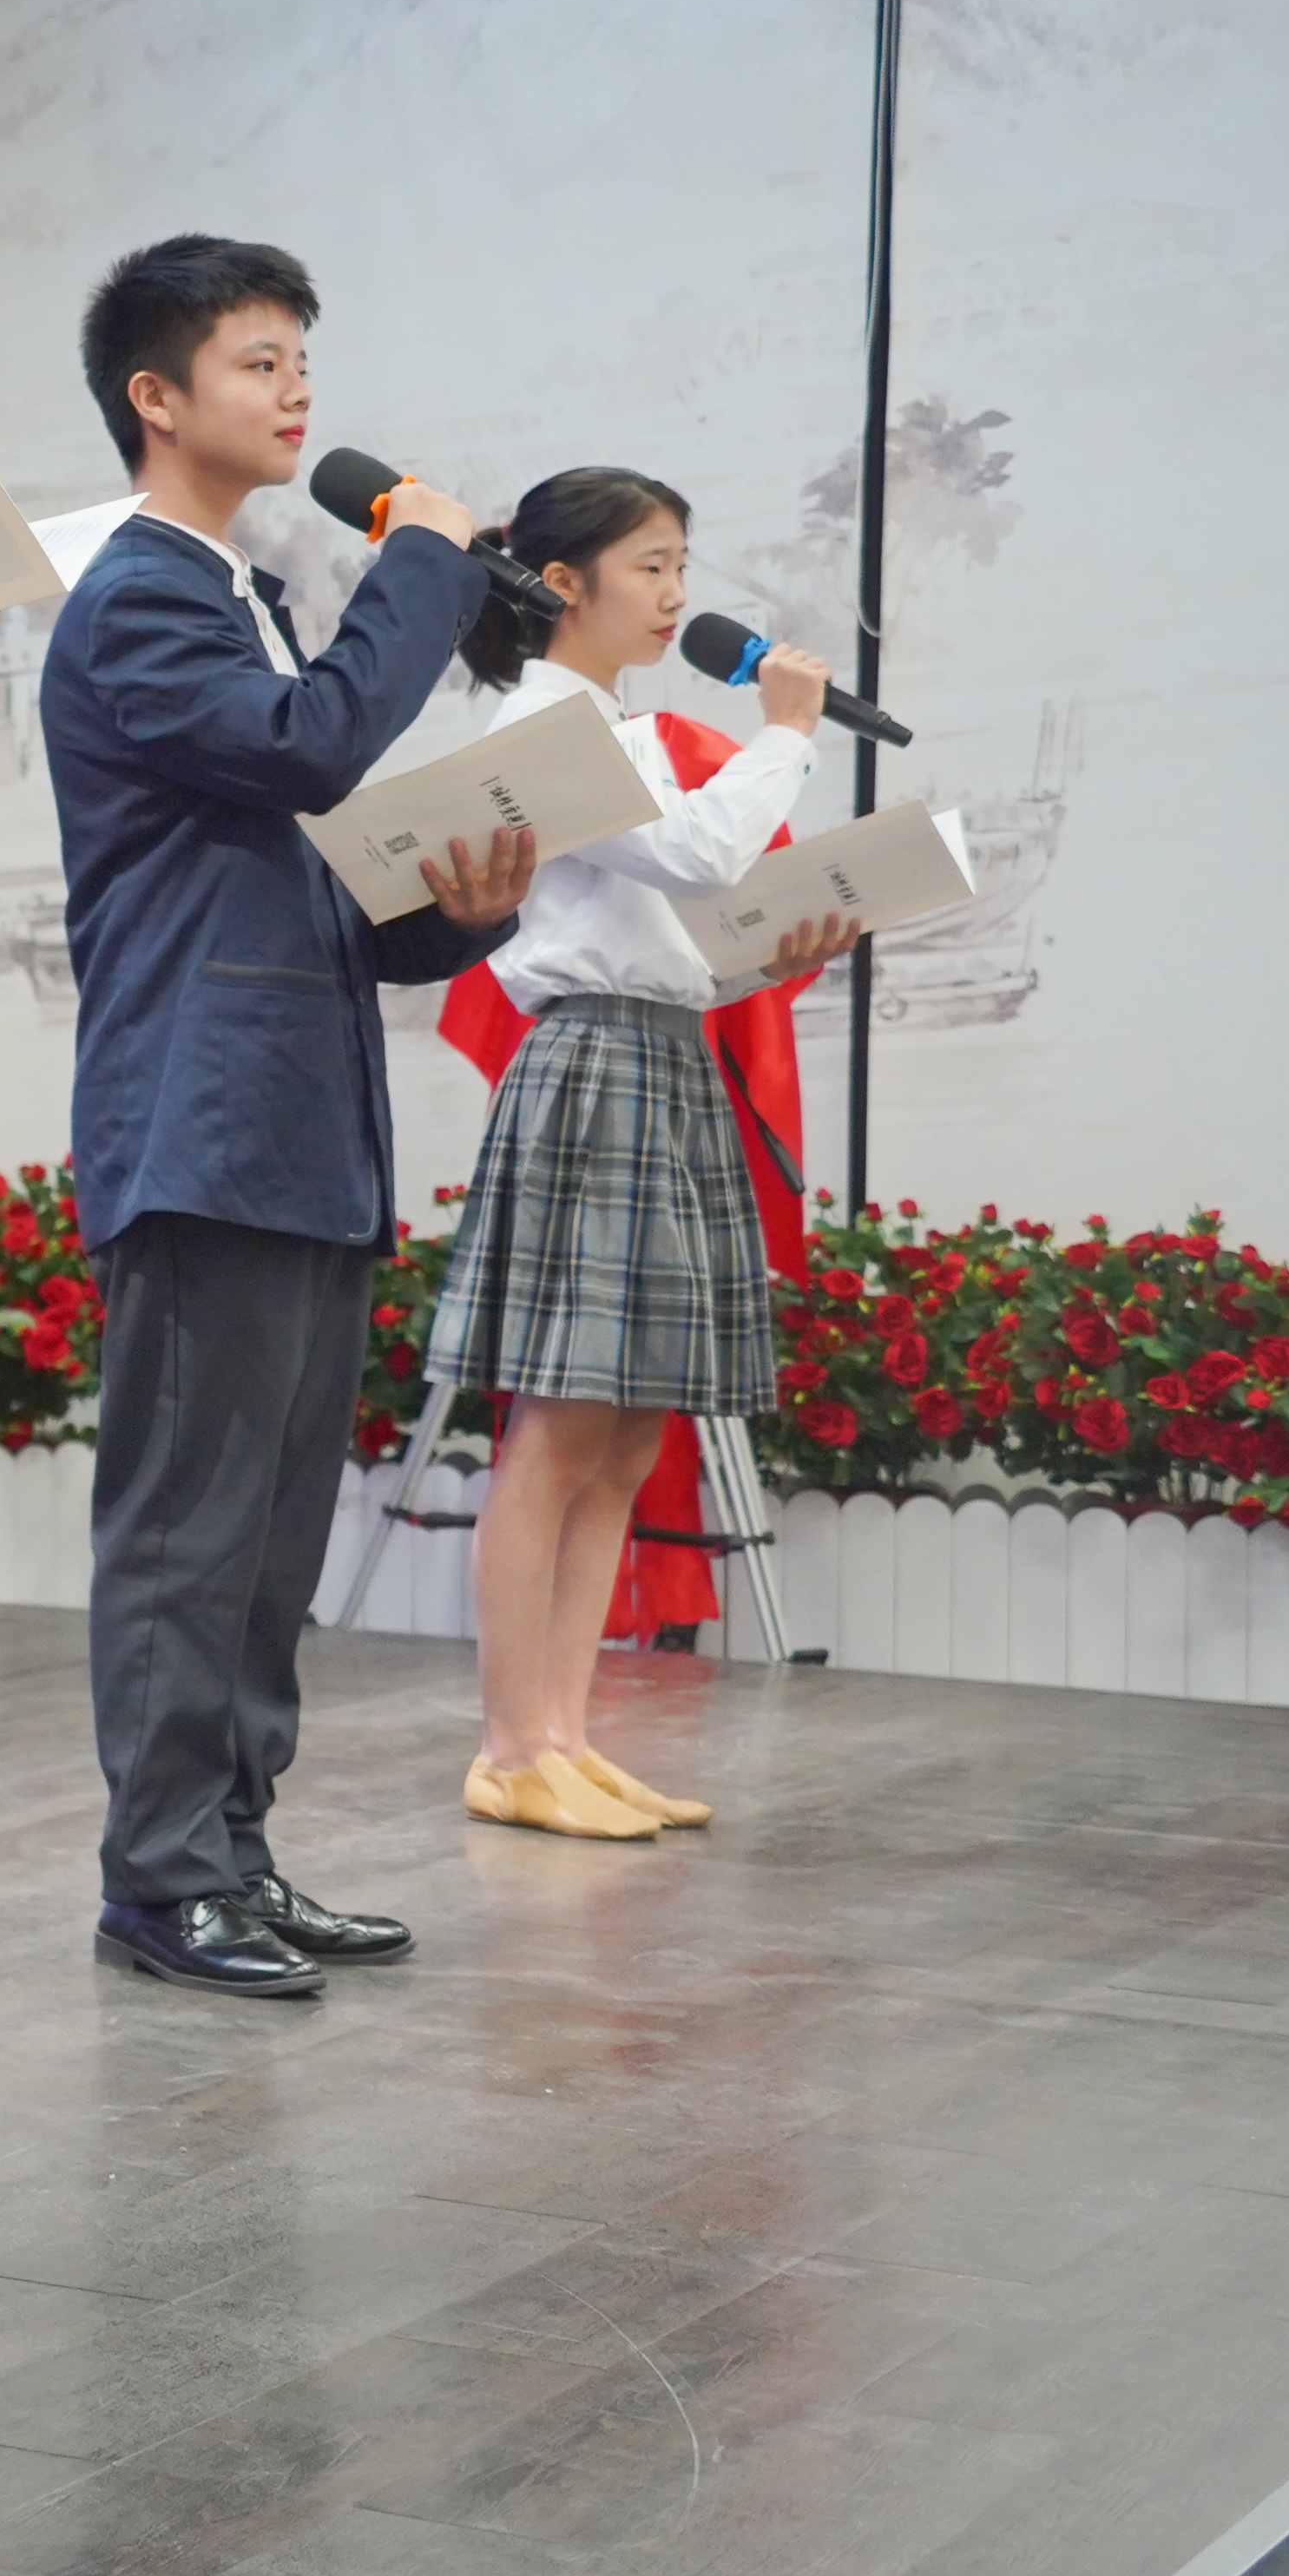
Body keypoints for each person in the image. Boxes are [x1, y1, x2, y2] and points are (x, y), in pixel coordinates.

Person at [41, 236, 536, 2001]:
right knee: (192, 1529)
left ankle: (232, 1851)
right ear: (155, 399)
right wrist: (426, 562)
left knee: (267, 1540)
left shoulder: (241, 598)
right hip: (205, 1120)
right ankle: (163, 1876)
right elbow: (315, 749)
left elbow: (306, 871)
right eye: (258, 361)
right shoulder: (142, 596)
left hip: (296, 1125)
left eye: (300, 360)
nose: (296, 389)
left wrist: (460, 914)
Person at [419, 466, 857, 1839]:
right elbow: (701, 858)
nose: (676, 596)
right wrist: (789, 731)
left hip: (658, 1052)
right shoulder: (545, 719)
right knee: (557, 1432)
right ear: (565, 583)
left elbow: (669, 940)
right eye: (651, 567)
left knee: (624, 1433)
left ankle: (564, 1734)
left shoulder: (618, 728)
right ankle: (510, 1747)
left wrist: (771, 958)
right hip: (592, 1068)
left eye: (681, 567)